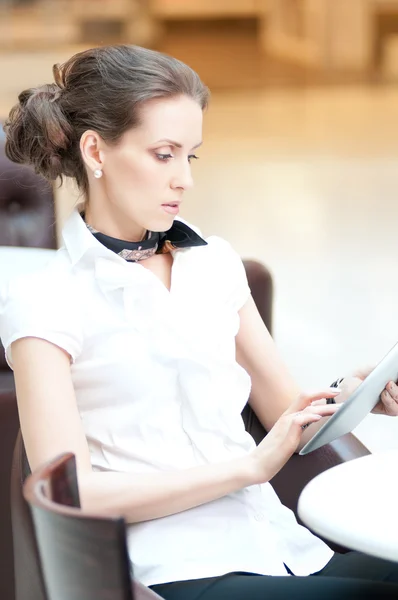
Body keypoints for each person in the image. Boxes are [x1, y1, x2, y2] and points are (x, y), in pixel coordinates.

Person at [1, 45, 397, 600]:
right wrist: (248, 468)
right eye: (164, 154)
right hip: (174, 570)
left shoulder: (214, 263)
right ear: (96, 150)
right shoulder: (46, 300)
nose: (184, 179)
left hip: (281, 545)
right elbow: (74, 494)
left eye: (192, 156)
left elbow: (285, 412)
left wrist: (352, 396)